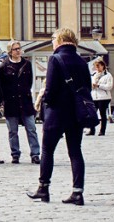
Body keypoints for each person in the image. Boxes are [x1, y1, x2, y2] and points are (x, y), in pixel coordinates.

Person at [27, 28, 89, 205]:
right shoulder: (81, 61)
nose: (52, 41)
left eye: (53, 38)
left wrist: (45, 104)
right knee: (75, 151)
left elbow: (51, 89)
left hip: (56, 112)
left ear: (61, 39)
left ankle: (43, 189)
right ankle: (78, 192)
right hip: (76, 113)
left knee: (47, 150)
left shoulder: (55, 58)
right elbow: (87, 88)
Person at [0, 41, 41, 164]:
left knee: (31, 129)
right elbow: (2, 85)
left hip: (26, 101)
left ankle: (35, 154)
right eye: (15, 49)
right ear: (10, 52)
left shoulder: (27, 64)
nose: (18, 51)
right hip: (11, 102)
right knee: (13, 131)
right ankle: (15, 154)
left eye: (19, 48)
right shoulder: (4, 66)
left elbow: (29, 82)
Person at [89, 58, 114, 136]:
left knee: (102, 114)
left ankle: (102, 130)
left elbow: (109, 86)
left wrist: (99, 85)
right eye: (96, 67)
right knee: (92, 113)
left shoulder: (108, 75)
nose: (97, 68)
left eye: (98, 66)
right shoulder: (93, 75)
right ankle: (92, 130)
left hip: (104, 97)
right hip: (94, 96)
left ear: (103, 66)